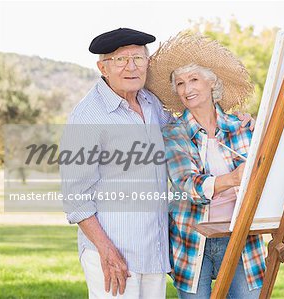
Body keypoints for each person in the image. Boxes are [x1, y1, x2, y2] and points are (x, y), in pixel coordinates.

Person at [61, 28, 254, 299]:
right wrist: (106, 251)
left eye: (139, 59)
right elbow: (75, 199)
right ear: (102, 67)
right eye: (121, 60)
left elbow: (193, 129)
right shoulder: (87, 117)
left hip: (152, 250)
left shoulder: (151, 104)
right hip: (113, 253)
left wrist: (241, 121)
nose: (131, 67)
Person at [146, 33, 266, 298]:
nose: (187, 89)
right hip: (192, 240)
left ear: (212, 83)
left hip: (242, 239)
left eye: (194, 79)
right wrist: (233, 179)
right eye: (180, 83)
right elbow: (188, 185)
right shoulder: (173, 133)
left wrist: (261, 134)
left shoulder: (243, 127)